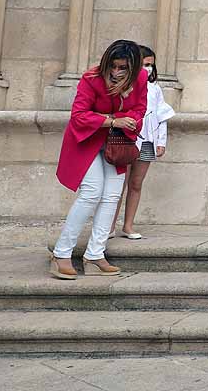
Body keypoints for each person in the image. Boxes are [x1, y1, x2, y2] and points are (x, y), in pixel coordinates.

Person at [50, 40, 148, 280]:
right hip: (85, 142)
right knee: (92, 192)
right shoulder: (91, 78)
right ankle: (61, 253)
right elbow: (79, 116)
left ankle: (95, 255)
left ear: (133, 67)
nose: (116, 72)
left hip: (117, 145)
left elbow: (140, 110)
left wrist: (123, 118)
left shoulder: (141, 79)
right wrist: (113, 120)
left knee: (112, 196)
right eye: (113, 66)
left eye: (123, 68)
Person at [118, 45, 174, 239]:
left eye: (150, 65)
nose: (148, 69)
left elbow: (161, 116)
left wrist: (161, 142)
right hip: (126, 139)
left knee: (136, 183)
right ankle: (107, 227)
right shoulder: (124, 86)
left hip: (148, 141)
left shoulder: (155, 88)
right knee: (119, 184)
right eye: (143, 64)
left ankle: (128, 225)